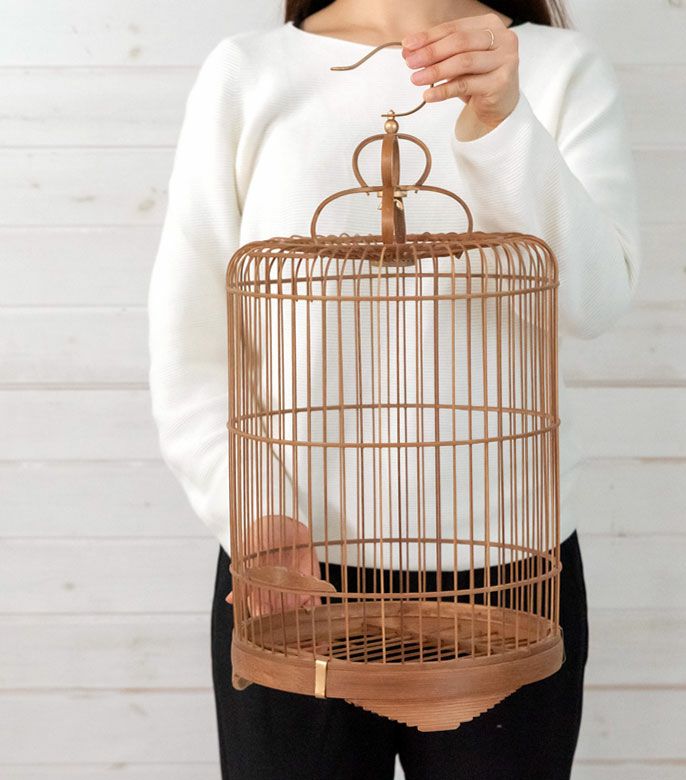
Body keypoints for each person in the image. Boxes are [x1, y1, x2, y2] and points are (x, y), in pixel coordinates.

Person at [147, 1, 642, 777]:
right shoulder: (248, 73)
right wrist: (253, 517)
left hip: (511, 573)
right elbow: (192, 341)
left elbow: (594, 304)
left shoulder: (554, 68)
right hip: (290, 571)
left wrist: (503, 123)